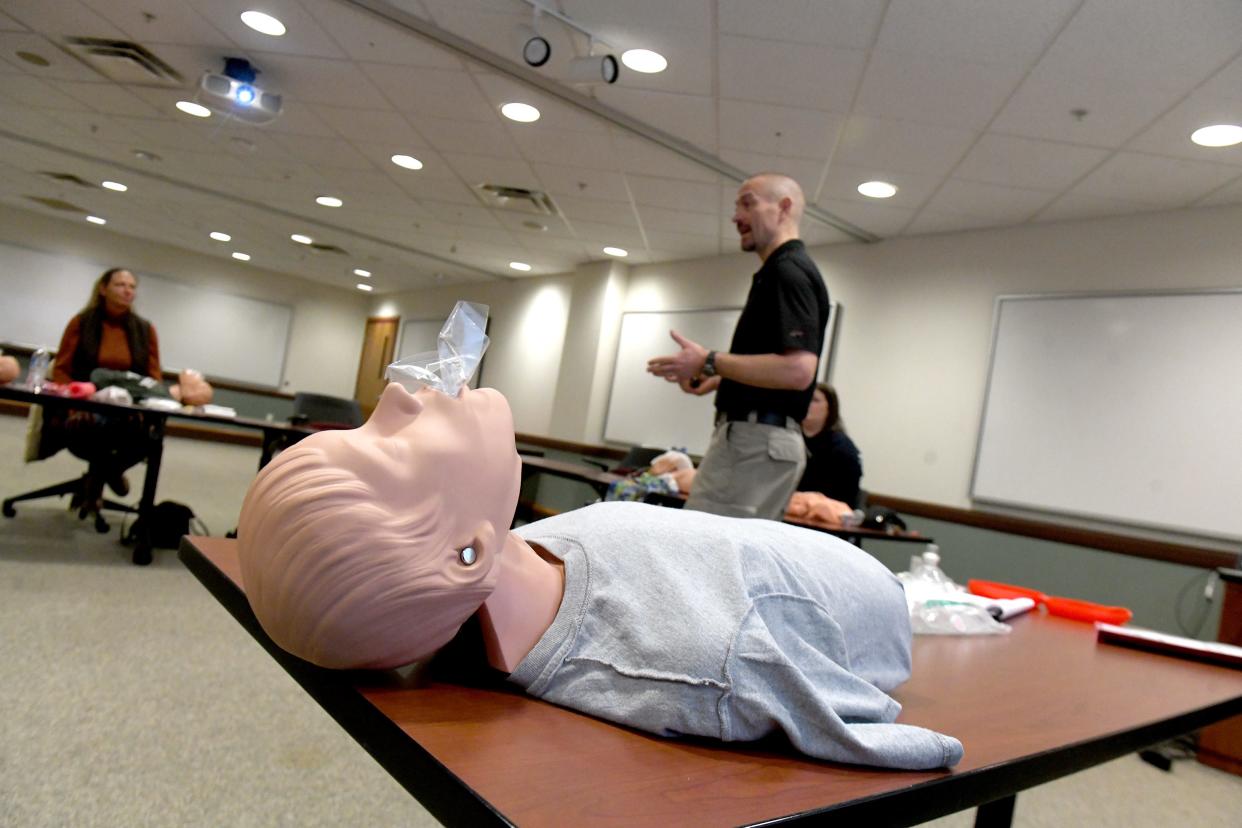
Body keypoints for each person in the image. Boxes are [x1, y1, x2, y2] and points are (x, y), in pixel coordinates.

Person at [237, 380, 963, 770]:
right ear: (466, 554)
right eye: (388, 449)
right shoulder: (713, 656)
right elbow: (901, 740)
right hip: (859, 594)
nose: (393, 400)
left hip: (776, 549)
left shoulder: (520, 551)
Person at [646, 173, 830, 521]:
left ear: (784, 208)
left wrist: (710, 359)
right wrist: (713, 377)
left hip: (753, 443)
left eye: (748, 203)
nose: (735, 217)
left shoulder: (787, 272)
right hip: (763, 441)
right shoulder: (782, 271)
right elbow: (778, 367)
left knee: (704, 551)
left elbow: (798, 371)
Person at [47, 268, 161, 497]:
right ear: (103, 289)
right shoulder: (81, 322)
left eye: (132, 286)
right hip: (84, 407)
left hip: (128, 409)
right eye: (120, 285)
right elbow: (61, 370)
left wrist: (142, 406)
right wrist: (73, 405)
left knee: (146, 438)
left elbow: (153, 378)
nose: (127, 291)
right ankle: (108, 475)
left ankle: (101, 475)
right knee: (92, 427)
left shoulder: (145, 330)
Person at [798, 383, 863, 508]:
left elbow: (845, 498)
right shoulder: (787, 439)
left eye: (814, 400)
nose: (806, 402)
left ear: (830, 408)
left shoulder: (842, 448)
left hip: (826, 513)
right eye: (805, 397)